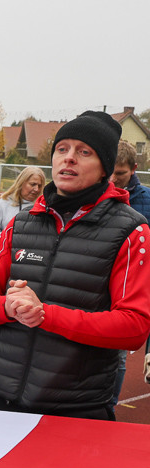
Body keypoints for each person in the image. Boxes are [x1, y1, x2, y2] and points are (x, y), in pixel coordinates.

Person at [0, 110, 150, 420]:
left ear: (105, 166)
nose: (69, 159)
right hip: (1, 398)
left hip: (77, 409)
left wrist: (45, 315)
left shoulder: (132, 232)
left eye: (84, 151)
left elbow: (133, 327)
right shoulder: (20, 225)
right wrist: (8, 308)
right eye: (62, 149)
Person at [0, 166, 46, 374]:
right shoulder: (4, 204)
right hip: (4, 267)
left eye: (40, 185)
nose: (36, 188)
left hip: (30, 269)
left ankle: (12, 357)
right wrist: (8, 241)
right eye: (32, 184)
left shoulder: (44, 207)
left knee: (24, 312)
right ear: (21, 182)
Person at [108, 141, 150, 404]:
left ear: (134, 169)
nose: (114, 179)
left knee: (118, 354)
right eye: (110, 172)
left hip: (135, 285)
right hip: (101, 282)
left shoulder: (147, 201)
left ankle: (108, 408)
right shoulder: (97, 196)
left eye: (120, 174)